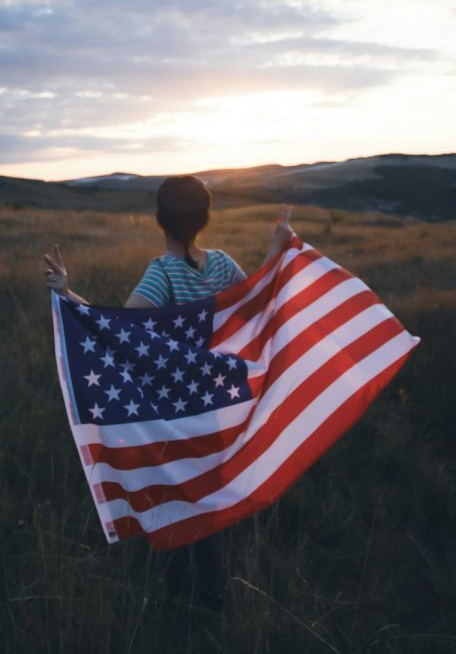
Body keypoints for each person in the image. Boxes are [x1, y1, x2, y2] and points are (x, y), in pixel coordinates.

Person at [43, 174, 295, 610]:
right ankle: (216, 596)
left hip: (173, 416)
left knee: (178, 500)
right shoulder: (220, 264)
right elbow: (252, 299)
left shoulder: (162, 274)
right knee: (210, 500)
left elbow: (121, 330)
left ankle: (182, 603)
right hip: (217, 409)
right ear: (205, 218)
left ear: (159, 219)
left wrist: (67, 293)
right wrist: (277, 250)